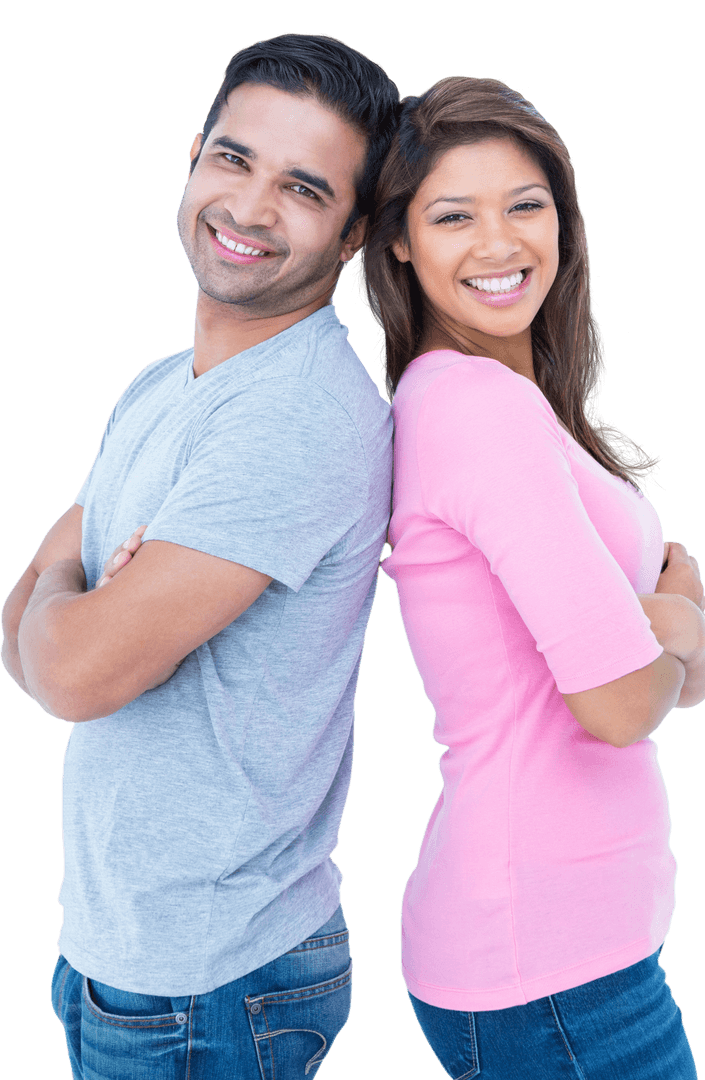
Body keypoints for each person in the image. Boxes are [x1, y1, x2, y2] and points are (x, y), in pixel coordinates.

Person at [0, 33, 399, 1079]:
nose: (251, 209)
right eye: (235, 160)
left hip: (213, 986)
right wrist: (75, 605)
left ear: (354, 234)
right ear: (192, 160)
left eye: (304, 189)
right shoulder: (159, 385)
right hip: (115, 952)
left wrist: (74, 609)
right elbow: (30, 617)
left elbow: (73, 669)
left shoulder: (295, 416)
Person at [360, 75, 705, 1078]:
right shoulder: (477, 409)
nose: (498, 243)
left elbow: (645, 679)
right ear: (399, 241)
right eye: (452, 216)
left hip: (568, 956)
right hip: (551, 973)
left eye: (526, 206)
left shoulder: (506, 402)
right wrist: (685, 620)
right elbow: (618, 704)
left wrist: (670, 638)